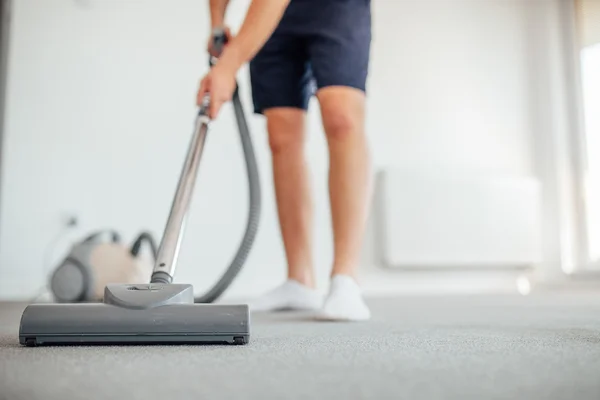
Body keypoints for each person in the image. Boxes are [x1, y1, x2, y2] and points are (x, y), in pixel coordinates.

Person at [198, 0, 372, 321]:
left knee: (342, 117)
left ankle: (346, 278)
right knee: (282, 134)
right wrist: (217, 24)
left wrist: (228, 66)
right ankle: (299, 280)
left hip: (337, 9)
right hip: (272, 19)